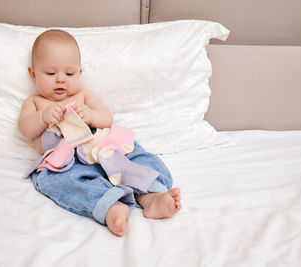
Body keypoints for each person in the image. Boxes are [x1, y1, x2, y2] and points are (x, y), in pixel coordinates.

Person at [18, 29, 181, 237]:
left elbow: (107, 118)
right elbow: (25, 129)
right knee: (53, 181)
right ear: (33, 74)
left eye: (69, 74)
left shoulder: (84, 96)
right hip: (66, 160)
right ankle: (109, 205)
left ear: (79, 73)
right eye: (51, 73)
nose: (60, 80)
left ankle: (151, 196)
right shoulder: (34, 103)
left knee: (137, 157)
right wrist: (42, 117)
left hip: (103, 145)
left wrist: (92, 116)